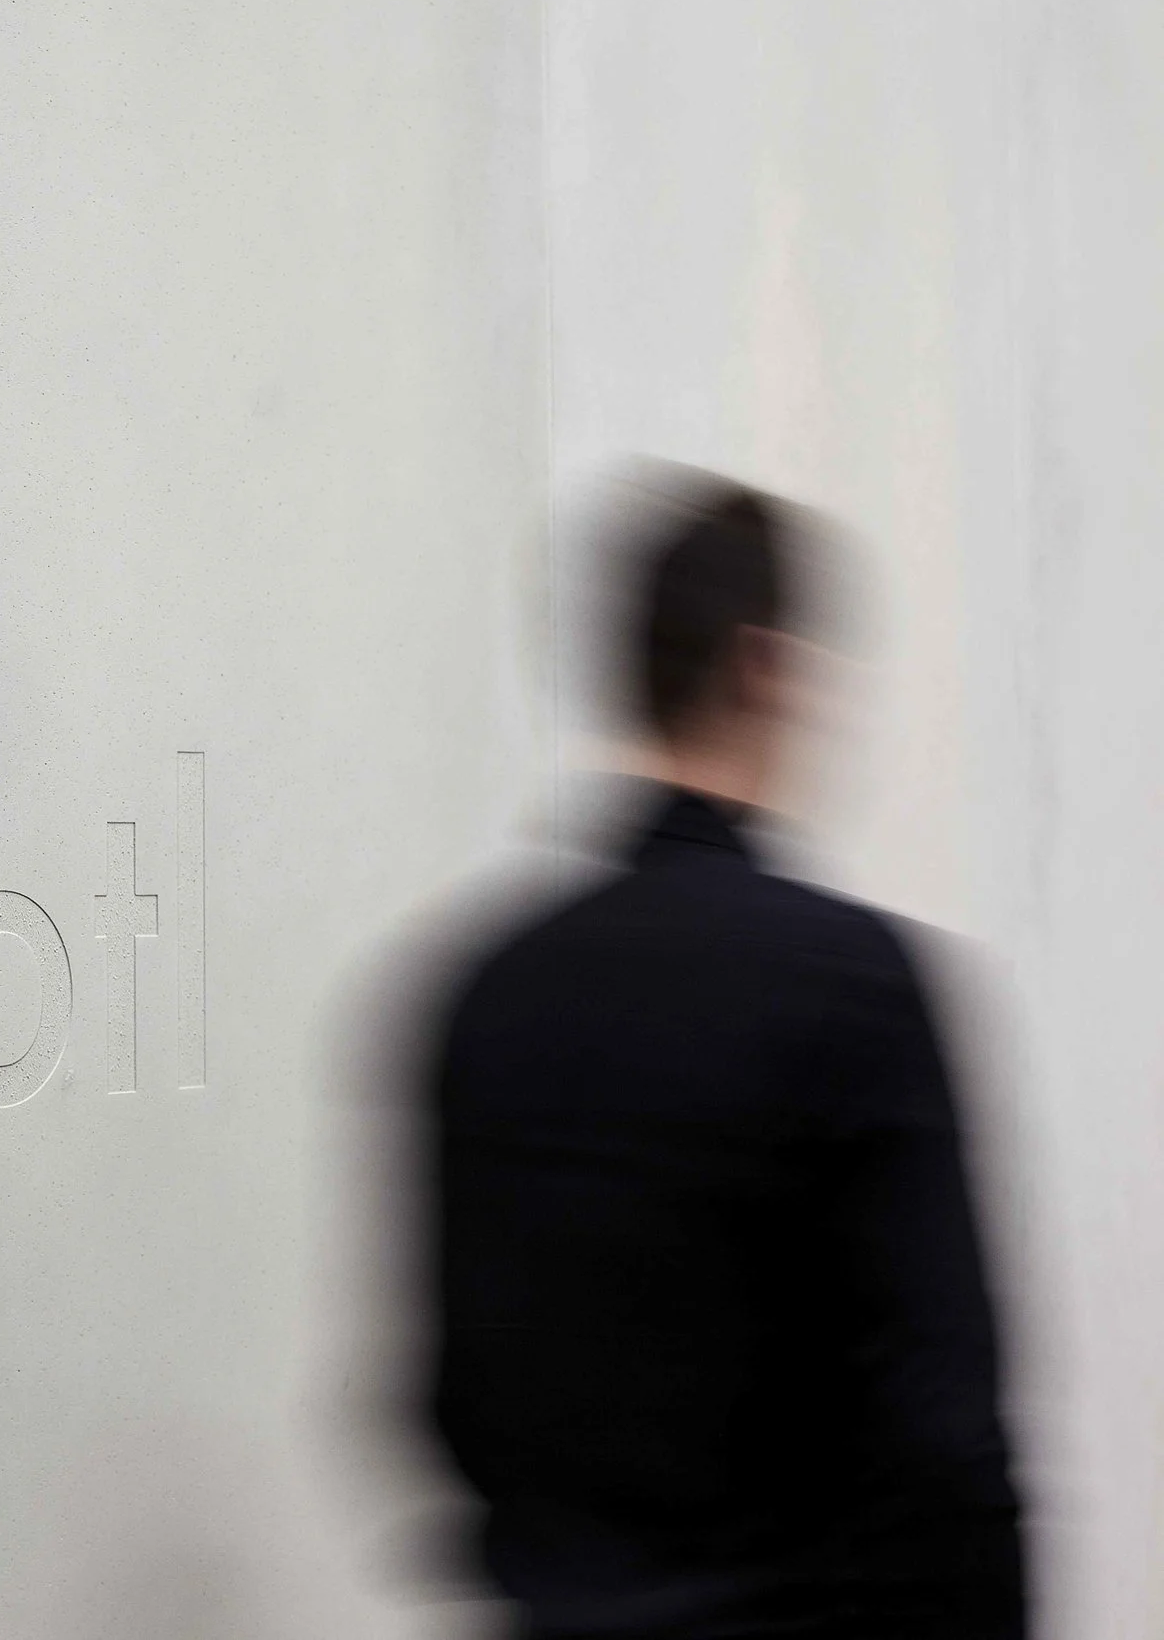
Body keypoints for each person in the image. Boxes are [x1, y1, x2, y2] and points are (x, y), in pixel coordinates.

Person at [417, 473, 1025, 1636]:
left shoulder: (485, 991)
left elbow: (444, 1403)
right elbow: (945, 1433)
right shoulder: (851, 984)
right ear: (763, 666)